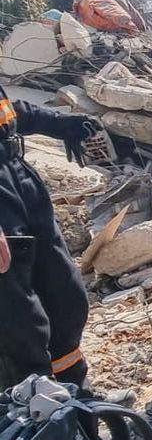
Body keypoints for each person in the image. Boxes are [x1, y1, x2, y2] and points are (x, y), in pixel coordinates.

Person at [0, 83, 98, 390]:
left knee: (64, 296)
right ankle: (34, 411)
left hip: (19, 180)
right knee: (20, 319)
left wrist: (57, 123)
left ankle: (74, 396)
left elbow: (9, 111)